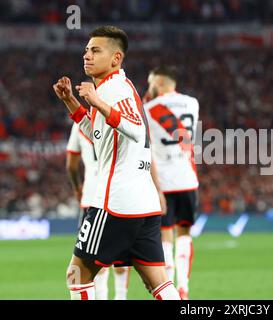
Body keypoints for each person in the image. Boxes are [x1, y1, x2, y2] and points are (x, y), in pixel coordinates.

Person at [53, 25, 180, 300]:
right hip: (143, 203)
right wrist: (72, 103)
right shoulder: (115, 87)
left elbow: (136, 130)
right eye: (86, 50)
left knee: (77, 275)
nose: (86, 55)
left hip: (116, 203)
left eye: (95, 50)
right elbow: (99, 137)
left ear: (116, 58)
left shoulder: (114, 90)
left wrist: (97, 101)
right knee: (157, 282)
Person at [143, 66, 199, 300]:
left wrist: (148, 94)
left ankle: (170, 290)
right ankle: (184, 287)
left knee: (165, 237)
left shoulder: (148, 109)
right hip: (188, 178)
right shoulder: (193, 103)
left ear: (157, 83)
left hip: (163, 184)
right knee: (184, 234)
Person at [66, 122, 131, 300]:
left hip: (92, 197)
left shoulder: (79, 124)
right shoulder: (119, 118)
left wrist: (77, 188)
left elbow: (71, 165)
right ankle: (121, 297)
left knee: (91, 260)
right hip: (119, 196)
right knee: (122, 257)